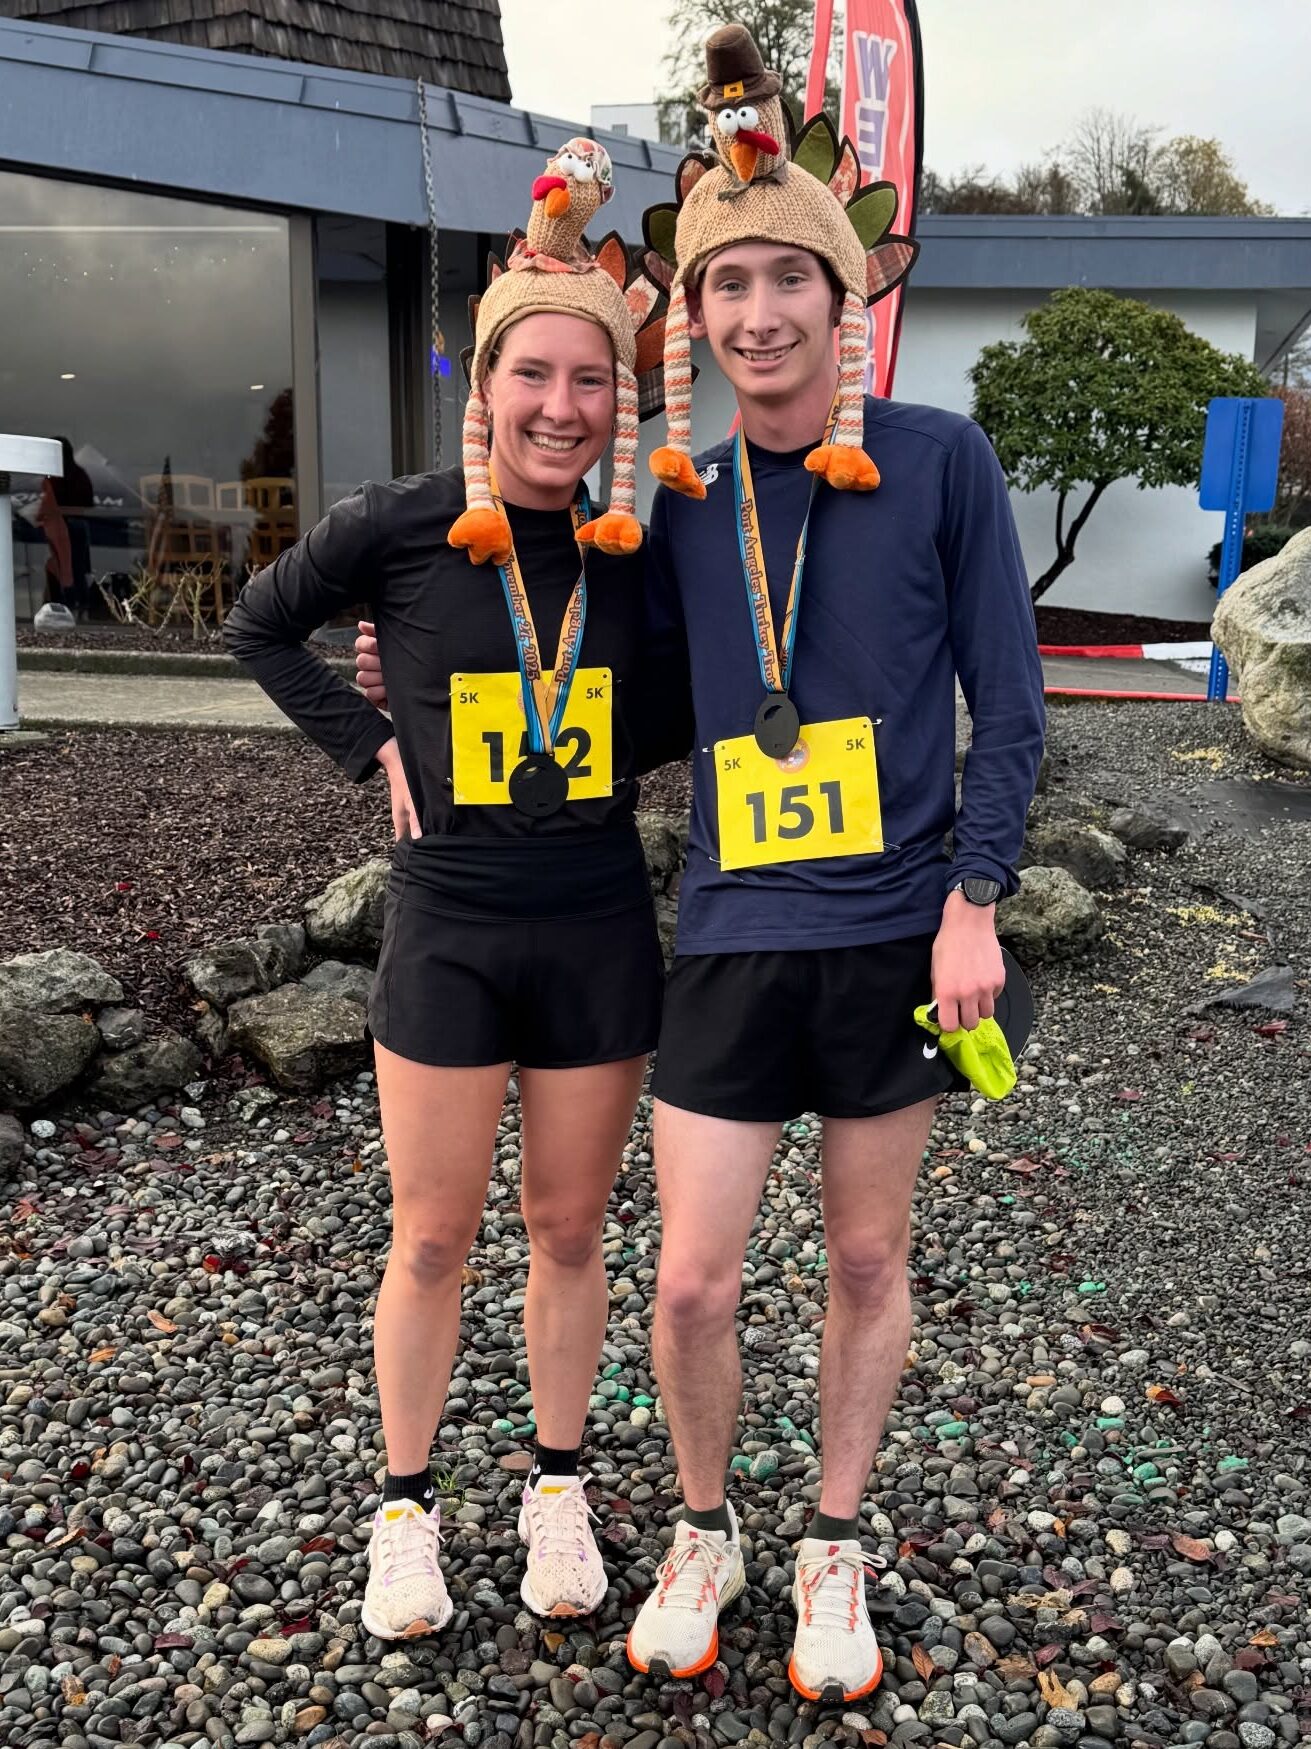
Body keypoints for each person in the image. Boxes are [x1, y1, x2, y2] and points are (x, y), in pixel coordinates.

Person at [354, 26, 1045, 1702]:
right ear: (700, 319)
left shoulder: (942, 462)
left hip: (899, 936)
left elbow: (1009, 706)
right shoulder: (678, 497)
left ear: (839, 298)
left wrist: (976, 901)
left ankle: (834, 1538)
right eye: (723, 283)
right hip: (729, 933)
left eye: (782, 280)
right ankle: (706, 1522)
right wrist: (411, 685)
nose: (753, 313)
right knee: (687, 1277)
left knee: (872, 1261)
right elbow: (603, 674)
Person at [225, 140, 689, 1641]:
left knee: (569, 1226)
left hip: (597, 919)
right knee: (430, 1233)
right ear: (485, 385)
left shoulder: (639, 544)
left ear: (620, 396)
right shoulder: (403, 524)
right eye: (532, 376)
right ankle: (406, 1509)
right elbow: (256, 623)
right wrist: (370, 733)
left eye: (590, 380)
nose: (561, 407)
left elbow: (678, 707)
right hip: (450, 923)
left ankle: (558, 1487)